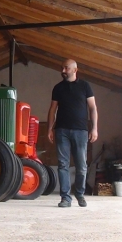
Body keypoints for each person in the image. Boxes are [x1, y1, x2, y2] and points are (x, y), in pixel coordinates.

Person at [47, 59, 98, 208]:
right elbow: (52, 109)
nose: (63, 70)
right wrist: (49, 128)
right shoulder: (58, 88)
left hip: (81, 131)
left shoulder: (85, 86)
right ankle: (65, 198)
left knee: (81, 165)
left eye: (66, 68)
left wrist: (94, 128)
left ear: (75, 70)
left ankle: (80, 194)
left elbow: (93, 108)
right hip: (61, 130)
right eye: (62, 67)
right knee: (63, 164)